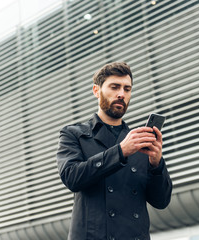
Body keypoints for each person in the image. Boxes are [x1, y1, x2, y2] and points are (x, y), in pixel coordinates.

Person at [56, 62, 172, 240]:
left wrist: (156, 165)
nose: (121, 94)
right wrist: (121, 151)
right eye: (114, 87)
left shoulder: (138, 140)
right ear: (96, 90)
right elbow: (72, 177)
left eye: (127, 89)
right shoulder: (74, 134)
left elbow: (161, 201)